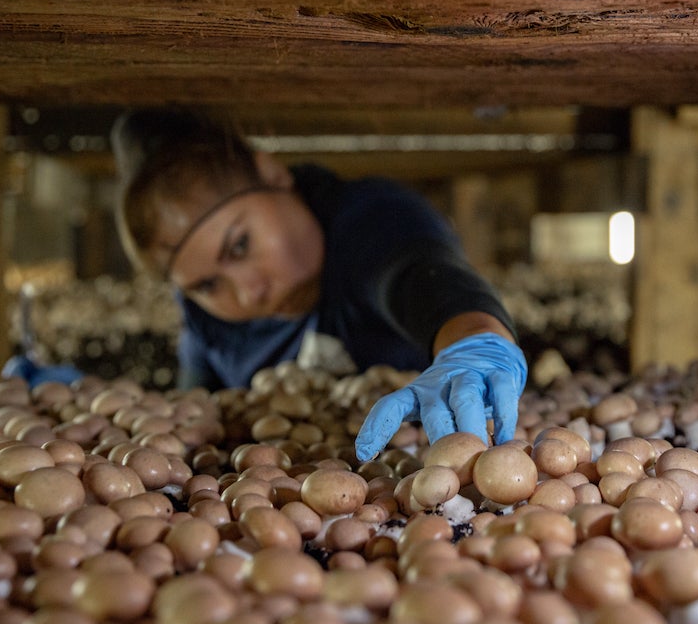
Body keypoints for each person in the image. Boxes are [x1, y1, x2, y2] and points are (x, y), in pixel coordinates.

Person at [110, 109, 527, 461]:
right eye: (206, 285)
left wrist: (476, 345)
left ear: (272, 173)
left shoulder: (371, 222)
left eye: (239, 246)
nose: (244, 291)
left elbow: (429, 281)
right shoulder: (205, 317)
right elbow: (194, 403)